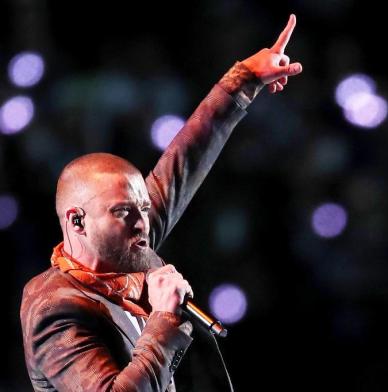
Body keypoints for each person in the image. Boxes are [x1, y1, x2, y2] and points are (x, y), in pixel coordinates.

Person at [20, 14, 302, 392]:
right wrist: (165, 318)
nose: (143, 221)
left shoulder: (127, 245)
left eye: (142, 207)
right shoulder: (55, 309)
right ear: (77, 222)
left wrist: (244, 80)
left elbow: (181, 164)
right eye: (124, 212)